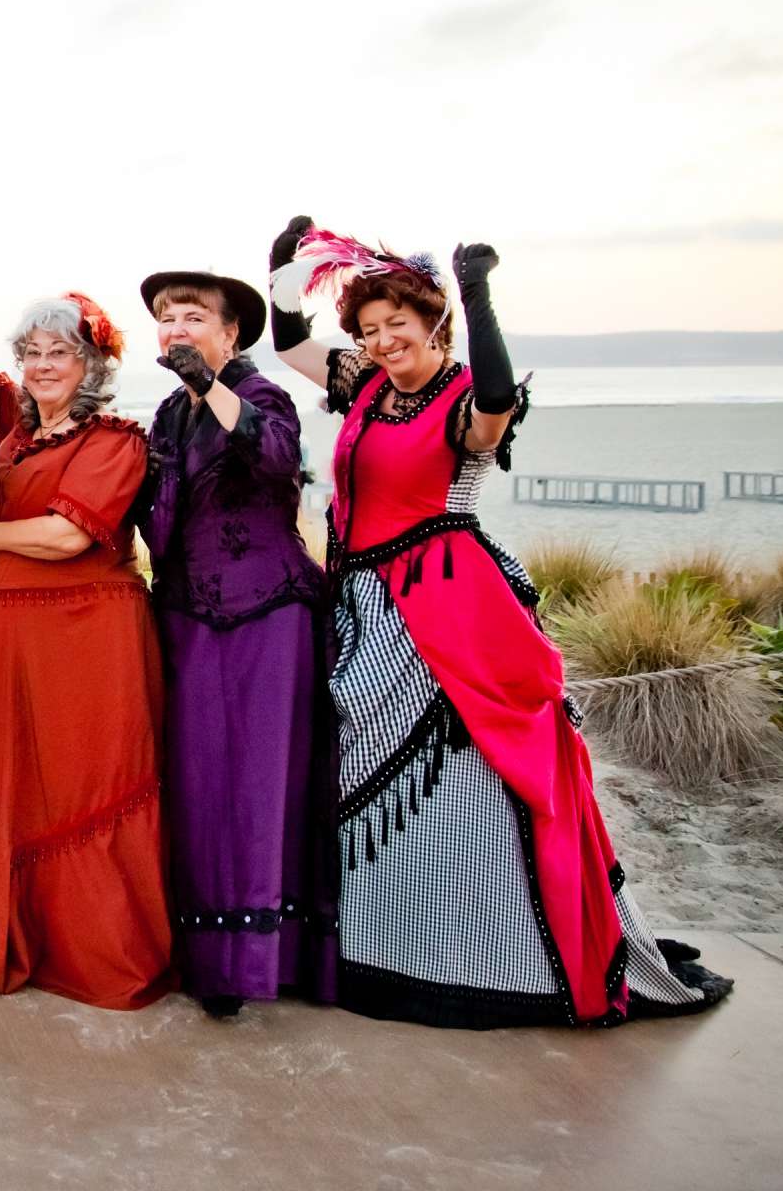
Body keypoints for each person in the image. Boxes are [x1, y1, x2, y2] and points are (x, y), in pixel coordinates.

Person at [267, 218, 731, 1026]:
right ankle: (387, 948)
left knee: (473, 778)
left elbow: (494, 403)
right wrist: (282, 266)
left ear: (435, 324)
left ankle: (493, 958)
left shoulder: (462, 398)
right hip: (364, 604)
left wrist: (478, 296)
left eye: (397, 328)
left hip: (451, 603)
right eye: (370, 332)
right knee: (364, 777)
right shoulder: (368, 385)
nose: (382, 343)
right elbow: (289, 344)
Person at [0, 282, 173, 1009]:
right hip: (12, 628)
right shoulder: (18, 429)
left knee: (84, 783)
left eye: (60, 353)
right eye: (32, 352)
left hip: (87, 629)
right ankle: (24, 940)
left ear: (92, 366)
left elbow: (69, 533)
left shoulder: (117, 441)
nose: (42, 366)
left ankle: (99, 953)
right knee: (20, 786)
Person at [136, 262, 333, 1016]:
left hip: (268, 614)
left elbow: (280, 457)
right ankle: (210, 964)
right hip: (187, 614)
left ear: (230, 332)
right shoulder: (167, 414)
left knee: (259, 785)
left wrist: (209, 388)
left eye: (191, 316)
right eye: (166, 318)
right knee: (197, 784)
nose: (175, 329)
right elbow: (157, 515)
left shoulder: (259, 393)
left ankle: (261, 963)